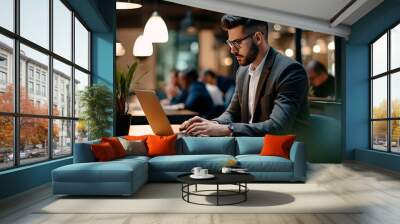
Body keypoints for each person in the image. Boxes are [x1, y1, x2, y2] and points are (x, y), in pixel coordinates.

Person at [180, 15, 309, 137]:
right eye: (230, 43)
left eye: (237, 43)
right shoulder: (242, 71)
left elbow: (278, 127)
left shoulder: (289, 70)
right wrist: (211, 124)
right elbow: (232, 113)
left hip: (284, 152)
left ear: (258, 38)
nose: (232, 50)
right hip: (251, 147)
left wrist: (227, 129)